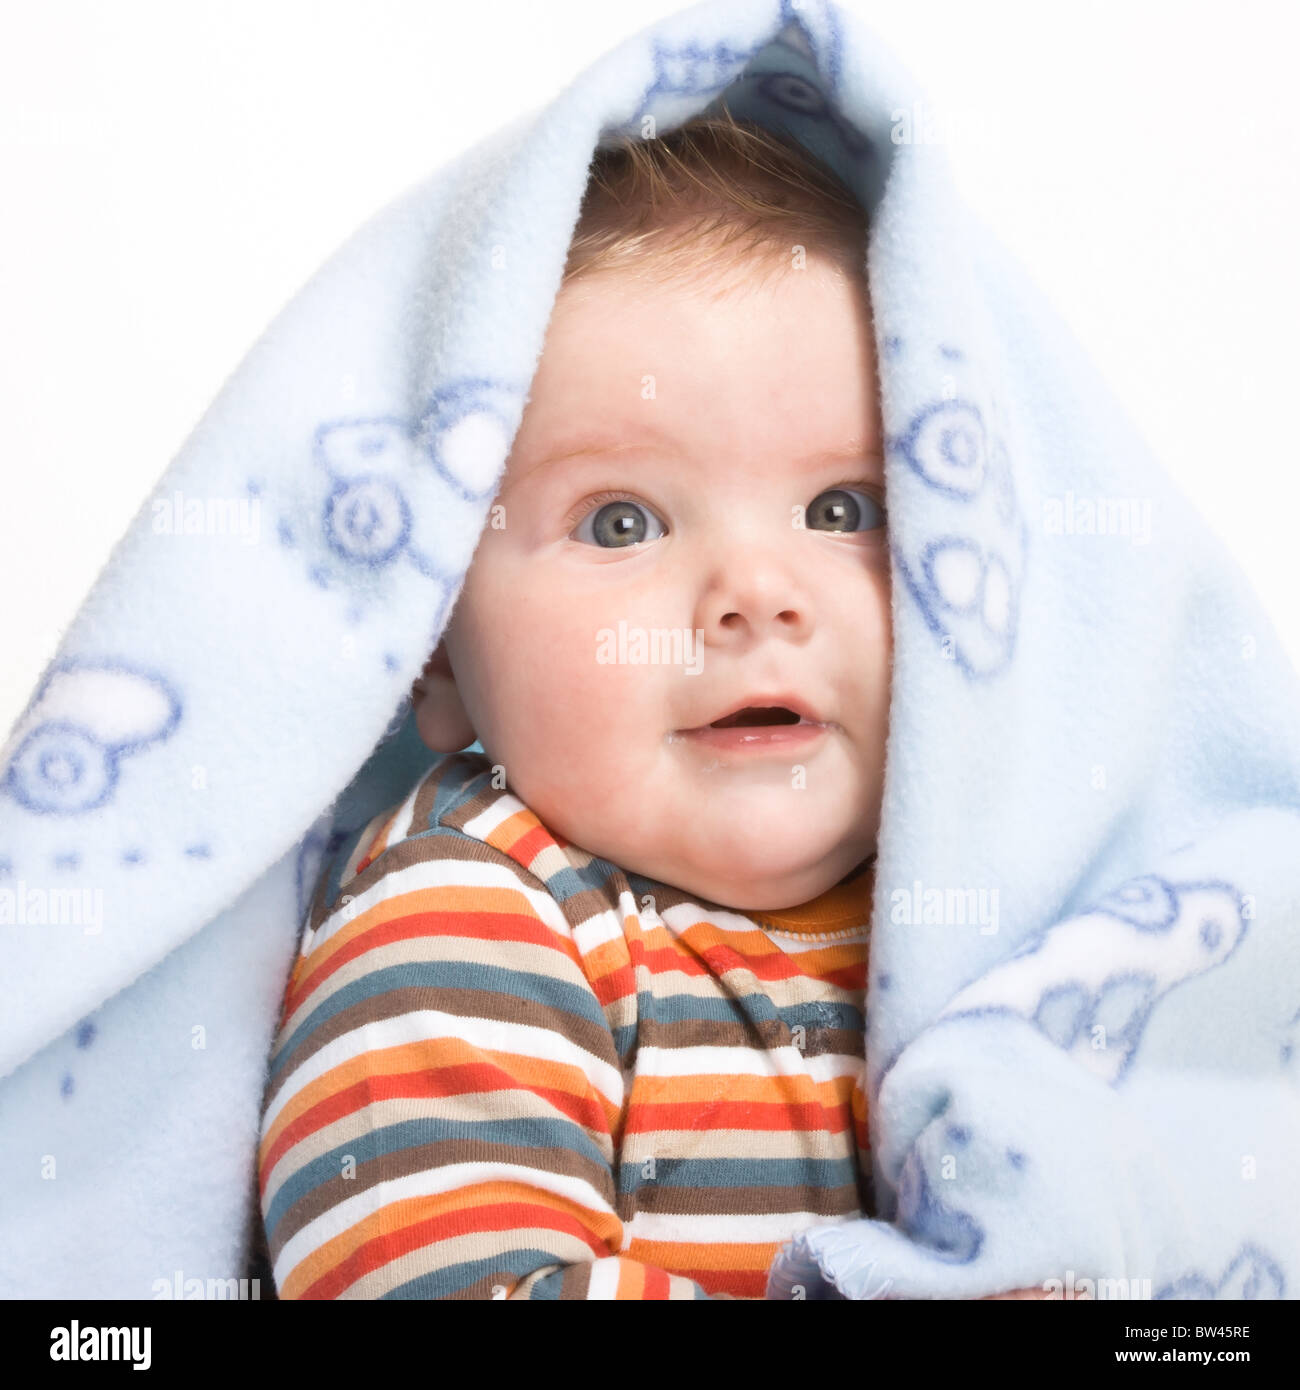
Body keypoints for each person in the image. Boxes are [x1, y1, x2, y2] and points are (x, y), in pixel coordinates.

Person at [257, 110, 1061, 1300]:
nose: (753, 595)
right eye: (618, 521)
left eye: (843, 510)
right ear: (429, 652)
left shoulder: (992, 903)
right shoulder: (472, 910)